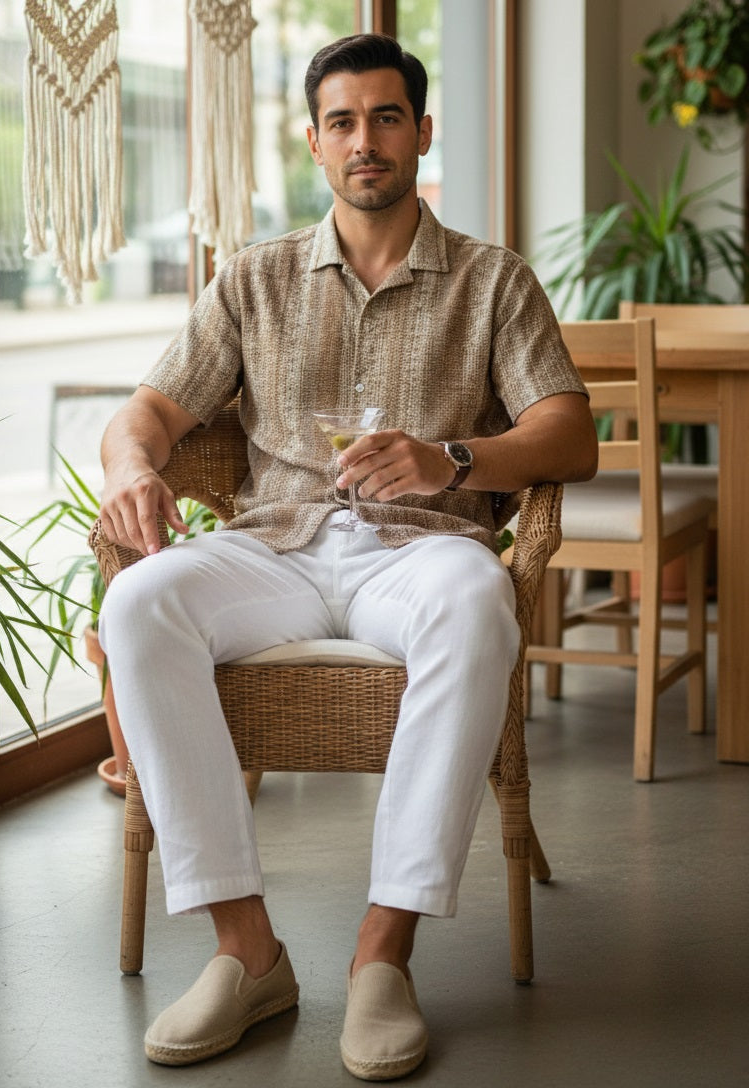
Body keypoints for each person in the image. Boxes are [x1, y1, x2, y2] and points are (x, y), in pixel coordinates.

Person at [97, 32, 597, 1082]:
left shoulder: (493, 280)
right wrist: (131, 467)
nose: (363, 140)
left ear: (420, 132)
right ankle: (247, 948)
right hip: (276, 542)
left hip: (424, 547)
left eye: (384, 118)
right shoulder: (258, 277)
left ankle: (384, 952)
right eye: (341, 121)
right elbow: (146, 411)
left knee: (478, 601)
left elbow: (570, 435)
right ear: (316, 142)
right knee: (140, 602)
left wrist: (449, 453)